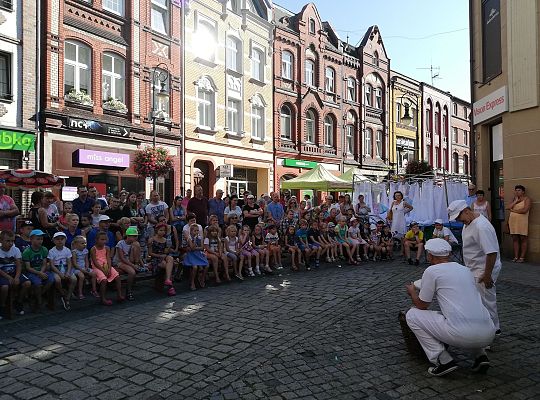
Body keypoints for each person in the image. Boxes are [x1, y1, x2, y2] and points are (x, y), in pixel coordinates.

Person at [405, 239, 495, 377]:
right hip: (489, 333)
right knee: (465, 311)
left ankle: (443, 359)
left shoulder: (432, 270)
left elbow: (422, 305)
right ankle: (480, 355)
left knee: (412, 315)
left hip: (462, 334)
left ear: (430, 255)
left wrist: (412, 292)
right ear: (449, 254)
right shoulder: (465, 270)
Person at [448, 200, 502, 334]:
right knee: (478, 300)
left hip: (483, 269)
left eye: (459, 217)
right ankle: (484, 327)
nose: (459, 221)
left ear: (466, 211)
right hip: (475, 268)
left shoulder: (481, 227)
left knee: (486, 301)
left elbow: (491, 252)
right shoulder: (470, 221)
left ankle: (493, 330)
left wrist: (487, 275)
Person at [22, 230, 55, 311]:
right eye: (38, 239)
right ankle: (39, 300)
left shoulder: (44, 249)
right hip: (31, 272)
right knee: (37, 283)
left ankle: (37, 295)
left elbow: (44, 263)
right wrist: (39, 273)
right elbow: (28, 267)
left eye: (41, 239)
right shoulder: (27, 252)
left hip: (42, 270)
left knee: (51, 279)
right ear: (31, 239)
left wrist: (41, 272)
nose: (40, 241)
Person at [0, 231, 30, 318]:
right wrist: (9, 278)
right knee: (5, 287)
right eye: (8, 241)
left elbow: (18, 265)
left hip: (14, 272)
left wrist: (16, 277)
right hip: (3, 274)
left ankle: (18, 301)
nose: (10, 243)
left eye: (12, 241)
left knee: (27, 283)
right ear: (1, 241)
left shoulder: (15, 250)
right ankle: (2, 306)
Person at [90, 231, 123, 306]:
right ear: (96, 240)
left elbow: (108, 258)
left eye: (105, 239)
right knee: (104, 280)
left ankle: (119, 295)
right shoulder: (93, 249)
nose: (103, 241)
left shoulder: (107, 248)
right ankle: (103, 298)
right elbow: (95, 262)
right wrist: (103, 270)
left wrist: (108, 267)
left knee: (117, 277)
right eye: (101, 239)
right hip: (97, 267)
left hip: (106, 266)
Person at [47, 232, 79, 310]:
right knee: (57, 280)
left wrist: (68, 272)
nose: (60, 241)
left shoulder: (67, 250)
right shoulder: (52, 251)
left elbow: (69, 263)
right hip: (56, 268)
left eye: (62, 239)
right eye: (57, 239)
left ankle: (67, 297)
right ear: (54, 241)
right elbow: (51, 265)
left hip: (65, 268)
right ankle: (62, 293)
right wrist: (59, 273)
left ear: (65, 240)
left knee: (74, 279)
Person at [113, 227, 144, 301]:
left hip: (129, 261)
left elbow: (137, 257)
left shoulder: (134, 244)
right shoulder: (120, 243)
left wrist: (141, 264)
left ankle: (129, 289)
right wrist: (133, 265)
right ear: (128, 236)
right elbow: (122, 258)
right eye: (134, 236)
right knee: (132, 272)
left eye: (136, 236)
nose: (135, 238)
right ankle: (128, 291)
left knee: (135, 269)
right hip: (119, 262)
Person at [148, 223, 176, 295]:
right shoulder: (152, 240)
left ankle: (167, 280)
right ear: (157, 230)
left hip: (164, 257)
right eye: (161, 230)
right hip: (155, 258)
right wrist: (159, 256)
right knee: (166, 264)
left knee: (170, 258)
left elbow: (165, 252)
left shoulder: (166, 240)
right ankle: (170, 286)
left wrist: (168, 248)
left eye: (164, 230)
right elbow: (150, 253)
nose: (162, 232)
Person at [507, 185, 532, 262]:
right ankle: (516, 256)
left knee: (523, 238)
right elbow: (508, 207)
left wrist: (513, 211)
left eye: (519, 190)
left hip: (522, 221)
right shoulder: (514, 199)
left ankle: (522, 257)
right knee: (515, 238)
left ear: (523, 191)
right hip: (513, 221)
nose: (517, 192)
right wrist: (515, 201)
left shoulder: (527, 199)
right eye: (516, 190)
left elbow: (524, 210)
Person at [183, 223, 209, 290]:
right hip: (191, 255)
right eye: (195, 231)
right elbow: (192, 247)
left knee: (207, 265)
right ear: (191, 231)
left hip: (198, 254)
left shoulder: (199, 237)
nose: (197, 232)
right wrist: (194, 241)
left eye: (197, 230)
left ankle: (202, 278)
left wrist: (196, 248)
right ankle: (192, 282)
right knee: (195, 267)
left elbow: (202, 247)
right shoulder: (189, 238)